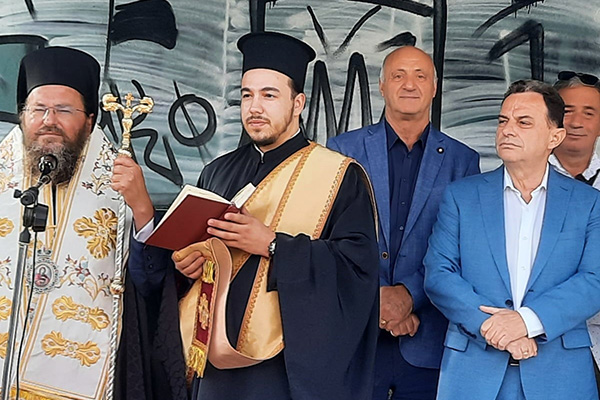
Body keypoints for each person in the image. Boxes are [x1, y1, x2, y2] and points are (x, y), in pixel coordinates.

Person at [115, 31, 380, 400]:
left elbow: (356, 271)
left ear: (298, 103)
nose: (255, 108)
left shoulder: (339, 176)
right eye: (246, 95)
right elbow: (180, 268)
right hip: (212, 364)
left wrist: (273, 245)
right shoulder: (217, 173)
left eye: (269, 95)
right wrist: (187, 266)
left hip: (283, 371)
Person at [424, 80, 600, 400]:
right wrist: (491, 327)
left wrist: (526, 322)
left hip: (560, 376)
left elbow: (594, 280)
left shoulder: (589, 203)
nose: (507, 130)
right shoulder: (461, 196)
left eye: (523, 122)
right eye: (503, 120)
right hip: (473, 372)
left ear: (555, 137)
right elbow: (438, 274)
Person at [327, 45, 479, 399]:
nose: (409, 84)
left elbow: (465, 250)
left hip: (428, 339)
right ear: (381, 85)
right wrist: (378, 298)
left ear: (434, 87)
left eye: (420, 76)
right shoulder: (342, 150)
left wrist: (409, 296)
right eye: (398, 75)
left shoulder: (463, 160)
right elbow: (329, 237)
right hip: (356, 336)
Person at [0, 46, 131, 399]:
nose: (49, 120)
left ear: (89, 121)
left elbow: (148, 283)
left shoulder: (121, 186)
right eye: (38, 109)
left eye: (64, 110)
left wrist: (143, 209)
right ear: (23, 117)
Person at [551, 70, 600, 390]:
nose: (577, 122)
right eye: (568, 111)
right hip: (543, 345)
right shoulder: (521, 181)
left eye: (589, 112)